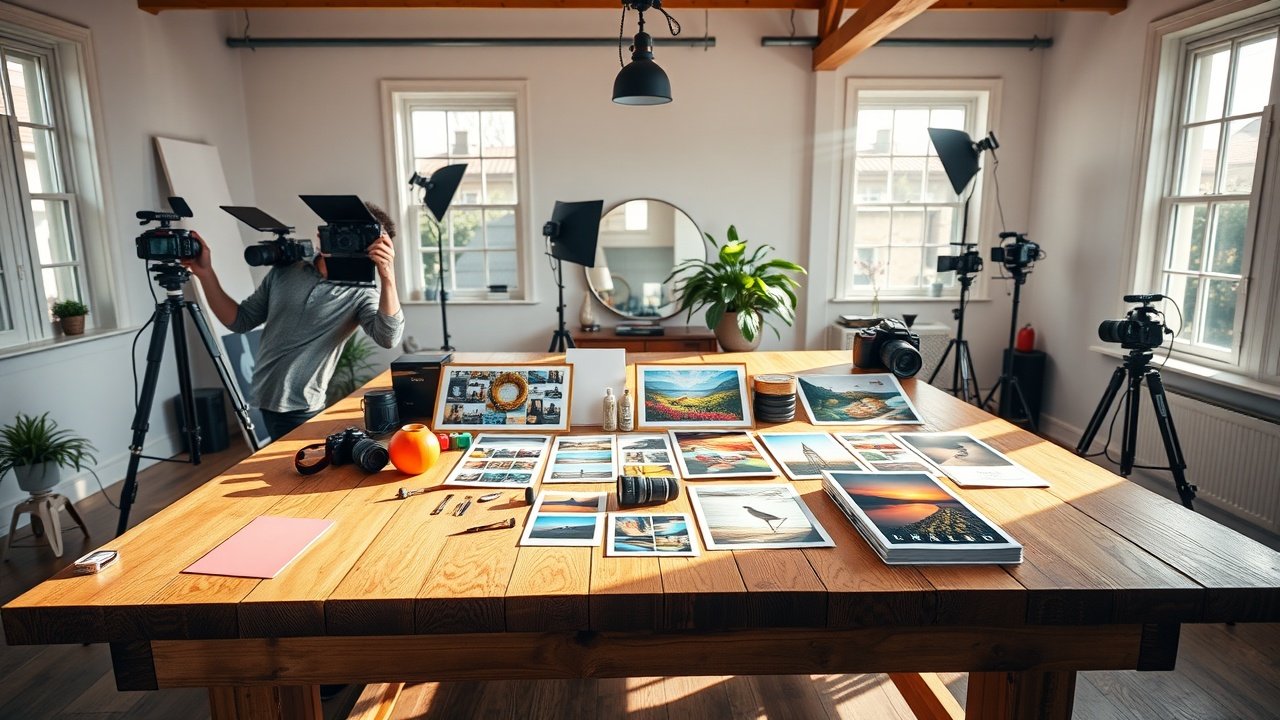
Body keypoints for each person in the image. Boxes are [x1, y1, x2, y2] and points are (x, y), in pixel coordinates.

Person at [183, 202, 405, 441]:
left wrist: (388, 277)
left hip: (303, 404)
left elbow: (388, 337)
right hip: (264, 396)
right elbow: (240, 320)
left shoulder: (361, 291)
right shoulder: (288, 268)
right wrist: (205, 273)